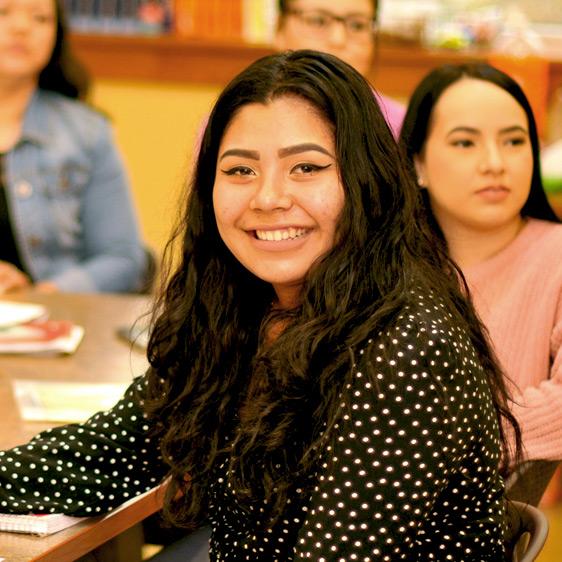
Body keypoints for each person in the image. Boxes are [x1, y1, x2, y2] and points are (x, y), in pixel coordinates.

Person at [0, 51, 519, 560]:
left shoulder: (409, 347)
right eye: (240, 170)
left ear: (367, 181)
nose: (268, 198)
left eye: (306, 167)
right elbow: (102, 459)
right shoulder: (244, 309)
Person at [399, 63, 562, 472]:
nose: (494, 162)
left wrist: (429, 446)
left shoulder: (555, 255)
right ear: (417, 164)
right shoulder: (384, 269)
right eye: (465, 143)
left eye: (514, 141)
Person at [0, 0, 148, 293]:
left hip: (54, 314)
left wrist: (44, 294)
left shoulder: (88, 133)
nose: (21, 27)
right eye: (3, 12)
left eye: (40, 18)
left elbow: (124, 260)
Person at [274, 0, 405, 137]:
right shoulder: (259, 116)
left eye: (357, 25)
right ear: (279, 28)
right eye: (318, 21)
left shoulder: (403, 128)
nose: (338, 40)